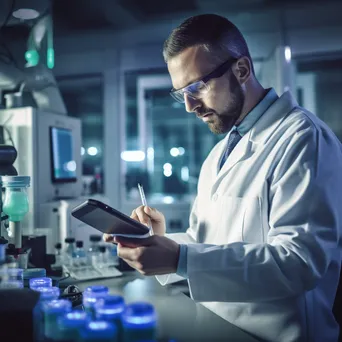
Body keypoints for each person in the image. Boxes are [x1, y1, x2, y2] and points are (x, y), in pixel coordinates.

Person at [104, 14, 342, 342]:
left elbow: (299, 262)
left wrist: (178, 257)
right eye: (180, 93)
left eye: (196, 87)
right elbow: (210, 244)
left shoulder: (303, 138)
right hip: (216, 325)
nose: (188, 106)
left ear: (241, 70)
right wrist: (163, 241)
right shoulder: (218, 155)